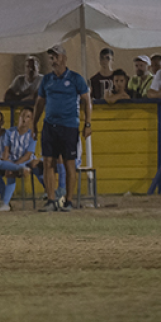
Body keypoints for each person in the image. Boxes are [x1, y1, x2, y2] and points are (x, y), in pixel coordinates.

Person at [33, 44, 92, 212]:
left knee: (69, 163)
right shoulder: (47, 80)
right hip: (49, 125)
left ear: (64, 58)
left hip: (69, 126)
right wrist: (34, 124)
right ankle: (51, 200)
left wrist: (88, 123)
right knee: (48, 162)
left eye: (56, 57)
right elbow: (40, 102)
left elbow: (87, 101)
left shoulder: (75, 78)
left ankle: (69, 201)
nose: (54, 61)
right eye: (52, 57)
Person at [0, 107, 38, 212]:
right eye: (23, 115)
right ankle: (5, 202)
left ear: (31, 120)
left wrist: (13, 166)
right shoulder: (10, 132)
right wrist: (8, 162)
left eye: (28, 117)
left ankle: (5, 203)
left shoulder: (32, 135)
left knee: (12, 172)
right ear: (19, 117)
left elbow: (28, 155)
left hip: (25, 161)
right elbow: (6, 150)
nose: (24, 119)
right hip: (13, 161)